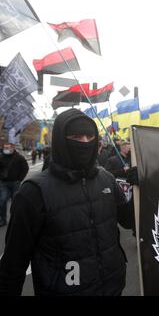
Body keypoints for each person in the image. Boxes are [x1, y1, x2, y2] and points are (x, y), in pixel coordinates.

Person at [0, 109, 133, 296]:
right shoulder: (33, 192)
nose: (85, 142)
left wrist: (142, 184)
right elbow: (13, 263)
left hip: (112, 287)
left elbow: (130, 221)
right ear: (61, 140)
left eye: (90, 136)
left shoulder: (106, 179)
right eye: (77, 136)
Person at [0, 143, 29, 227]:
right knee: (2, 200)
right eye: (5, 147)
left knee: (15, 202)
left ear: (12, 148)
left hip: (15, 183)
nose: (6, 149)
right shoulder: (1, 157)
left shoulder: (19, 158)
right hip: (4, 183)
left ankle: (15, 219)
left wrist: (19, 179)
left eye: (8, 148)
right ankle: (3, 219)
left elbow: (25, 168)